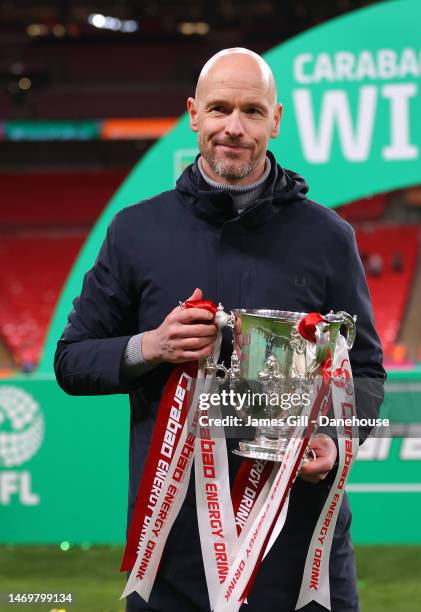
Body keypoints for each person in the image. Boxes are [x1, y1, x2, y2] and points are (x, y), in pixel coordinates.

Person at [54, 48, 386, 612]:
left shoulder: (329, 237)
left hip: (301, 552)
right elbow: (71, 360)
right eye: (220, 109)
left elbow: (368, 372)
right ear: (193, 114)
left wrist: (336, 438)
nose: (234, 127)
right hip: (175, 553)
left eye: (252, 111)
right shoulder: (135, 231)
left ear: (276, 120)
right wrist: (149, 347)